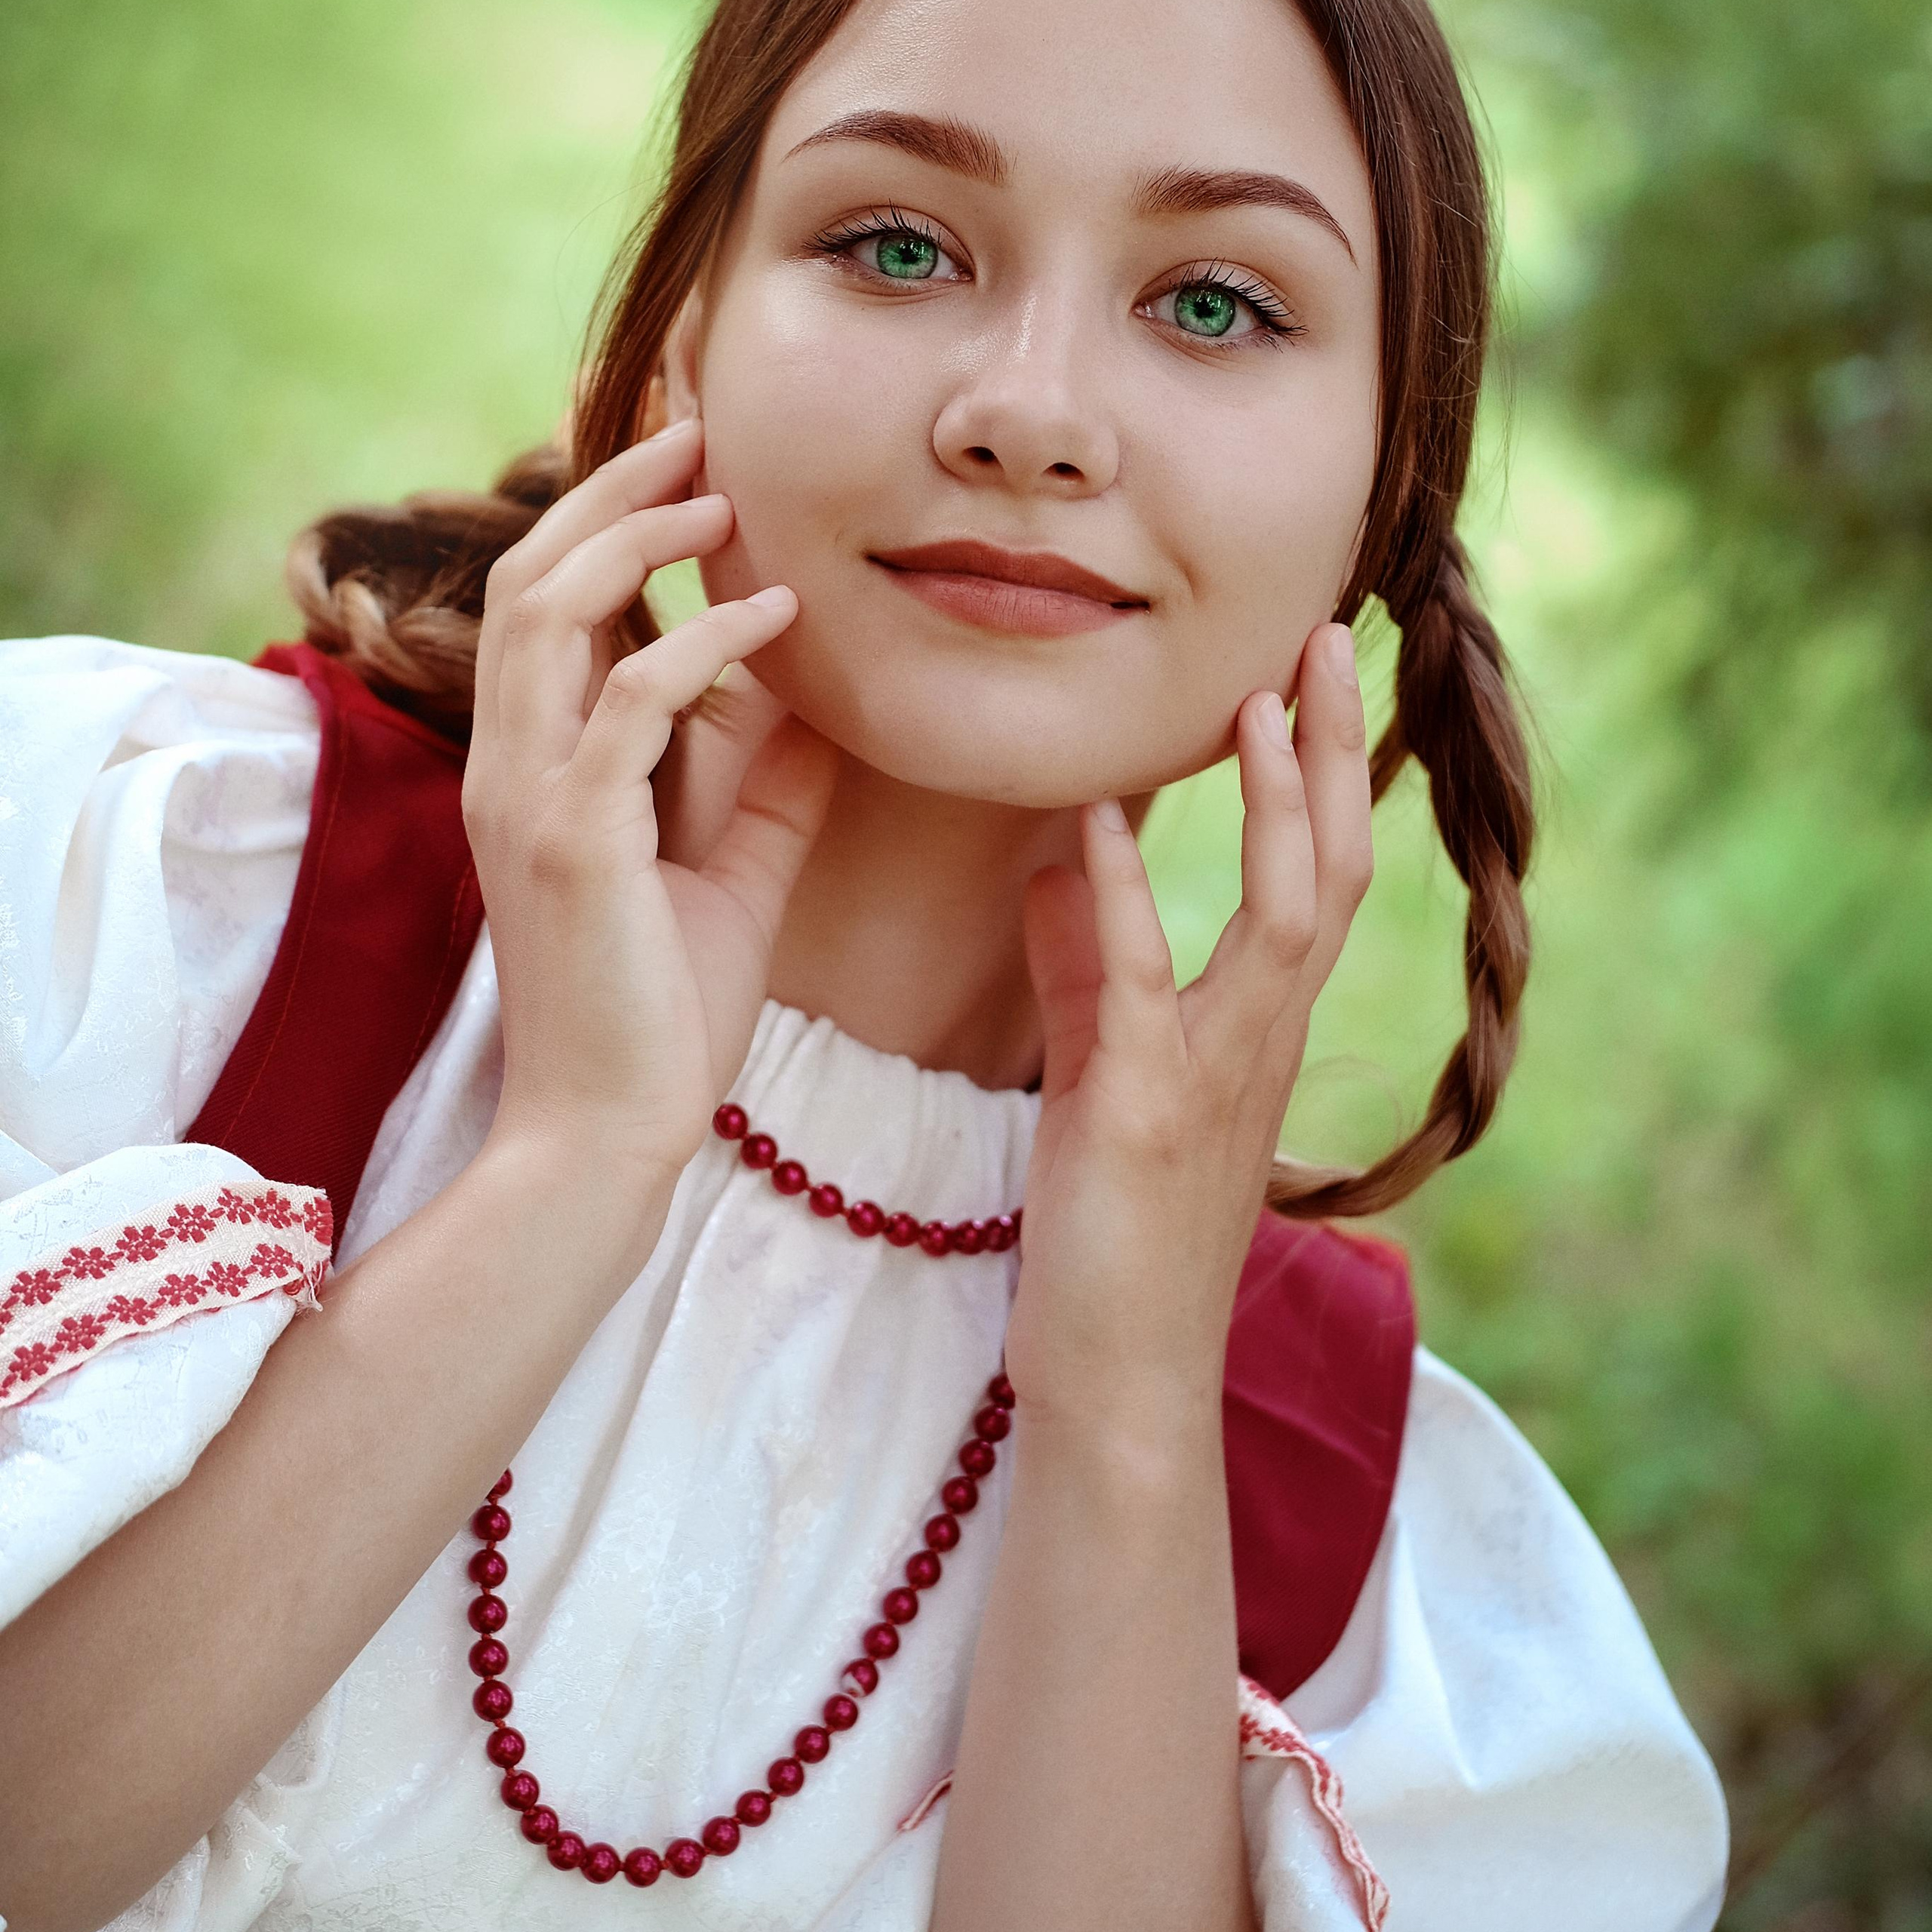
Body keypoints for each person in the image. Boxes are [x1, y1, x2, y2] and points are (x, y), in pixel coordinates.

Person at [0, 0, 1730, 1925]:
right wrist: (575, 1157)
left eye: (1216, 304)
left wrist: (1129, 1406)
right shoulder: (148, 909)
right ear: (679, 340)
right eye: (896, 245)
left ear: (1376, 493)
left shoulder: (1352, 1553)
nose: (1030, 412)